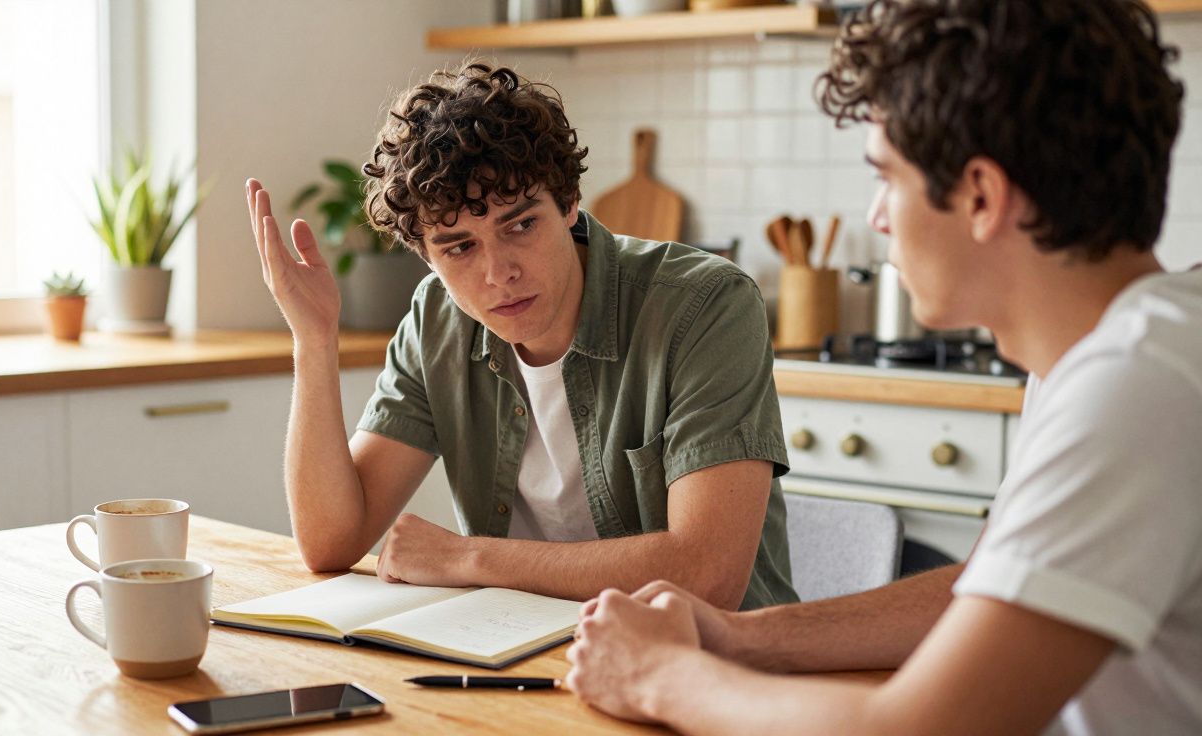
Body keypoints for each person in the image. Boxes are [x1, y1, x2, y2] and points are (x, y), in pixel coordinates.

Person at [566, 1, 1202, 733]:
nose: (875, 216)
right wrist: (736, 637)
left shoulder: (1134, 386)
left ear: (982, 196)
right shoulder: (1106, 354)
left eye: (886, 177)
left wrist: (659, 676)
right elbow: (986, 594)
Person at [244, 62, 797, 610]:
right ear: (425, 257)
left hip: (712, 667)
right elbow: (330, 542)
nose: (498, 273)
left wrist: (468, 559)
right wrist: (314, 340)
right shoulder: (438, 318)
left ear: (569, 202)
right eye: (459, 248)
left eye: (521, 225)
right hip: (521, 659)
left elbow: (706, 574)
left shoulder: (704, 305)